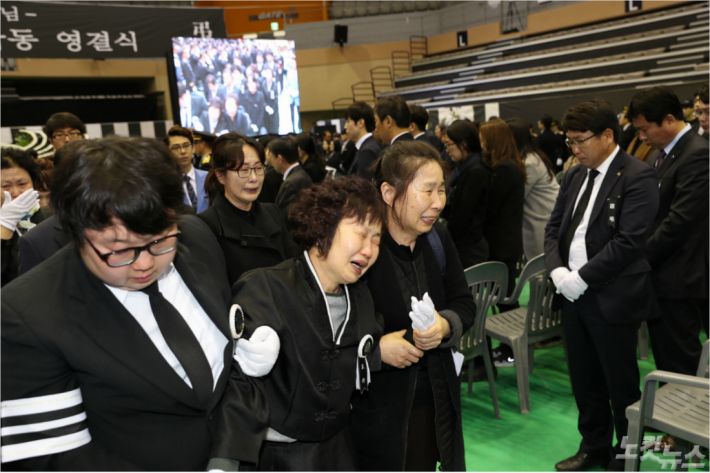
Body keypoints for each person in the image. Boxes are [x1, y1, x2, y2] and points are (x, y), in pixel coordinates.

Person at [1, 137, 267, 470]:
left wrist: (228, 456)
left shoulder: (195, 239)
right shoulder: (27, 315)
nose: (145, 264)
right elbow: (53, 459)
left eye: (159, 241)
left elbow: (229, 368)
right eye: (119, 250)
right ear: (77, 232)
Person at [215, 177, 385, 470]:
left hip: (338, 451)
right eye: (361, 234)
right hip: (274, 457)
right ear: (322, 227)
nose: (369, 249)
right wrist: (224, 461)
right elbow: (239, 383)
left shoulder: (361, 298)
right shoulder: (265, 289)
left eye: (377, 239)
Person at [545, 99, 659, 472]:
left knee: (620, 383)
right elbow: (554, 228)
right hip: (571, 294)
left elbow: (630, 241)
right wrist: (558, 272)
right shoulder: (574, 176)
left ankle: (627, 454)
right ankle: (593, 446)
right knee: (584, 379)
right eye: (570, 142)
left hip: (612, 295)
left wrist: (582, 278)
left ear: (608, 135)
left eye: (581, 141)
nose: (574, 149)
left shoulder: (637, 176)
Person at [350, 141, 475, 471]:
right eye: (427, 191)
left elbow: (464, 303)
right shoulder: (361, 250)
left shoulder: (437, 239)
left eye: (441, 190)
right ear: (388, 192)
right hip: (376, 408)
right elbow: (331, 329)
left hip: (435, 398)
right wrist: (376, 351)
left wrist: (444, 325)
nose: (438, 203)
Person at [628, 86, 709, 376]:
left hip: (680, 274)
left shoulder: (697, 154)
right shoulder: (660, 154)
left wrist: (637, 255)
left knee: (680, 362)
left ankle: (686, 405)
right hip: (663, 272)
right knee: (667, 355)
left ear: (669, 120)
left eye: (645, 129)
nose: (642, 137)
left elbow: (679, 221)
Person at [199, 133, 296, 286]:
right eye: (244, 170)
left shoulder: (273, 212)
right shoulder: (208, 226)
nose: (254, 178)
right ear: (221, 175)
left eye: (258, 168)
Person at [508, 118, 560, 260]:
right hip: (541, 217)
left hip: (541, 221)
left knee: (541, 267)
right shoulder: (530, 157)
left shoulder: (529, 163)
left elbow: (516, 197)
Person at [440, 119, 490, 267]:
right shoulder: (463, 168)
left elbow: (463, 214)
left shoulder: (476, 171)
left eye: (449, 144)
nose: (447, 150)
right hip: (465, 243)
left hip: (470, 247)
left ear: (463, 144)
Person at [0, 147, 47, 285]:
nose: (15, 192)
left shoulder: (52, 218)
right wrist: (5, 224)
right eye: (6, 186)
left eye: (22, 184)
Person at [166, 125, 209, 213]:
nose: (183, 151)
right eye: (176, 147)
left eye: (186, 146)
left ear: (193, 148)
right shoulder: (167, 184)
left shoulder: (208, 178)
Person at [266, 137, 313, 212]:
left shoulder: (291, 183)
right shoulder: (300, 174)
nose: (270, 162)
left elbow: (284, 215)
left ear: (279, 158)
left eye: (271, 157)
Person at [345, 101, 381, 180]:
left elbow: (364, 184)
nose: (345, 126)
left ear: (361, 123)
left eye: (348, 121)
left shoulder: (367, 151)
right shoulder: (368, 145)